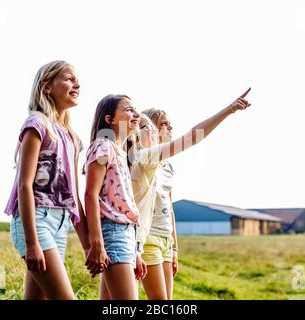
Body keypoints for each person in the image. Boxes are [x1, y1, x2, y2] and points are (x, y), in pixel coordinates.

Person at [131, 89, 252, 300]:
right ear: (147, 129)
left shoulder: (166, 166)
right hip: (148, 239)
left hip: (165, 239)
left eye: (170, 124)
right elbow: (193, 137)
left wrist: (175, 247)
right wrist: (229, 109)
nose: (170, 128)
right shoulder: (142, 159)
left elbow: (169, 209)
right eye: (163, 124)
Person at [4, 60, 89, 300]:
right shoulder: (37, 125)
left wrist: (87, 246)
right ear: (47, 86)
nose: (77, 84)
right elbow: (24, 185)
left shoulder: (72, 138)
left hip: (60, 225)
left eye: (77, 80)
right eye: (69, 78)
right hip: (36, 222)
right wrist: (32, 243)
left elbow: (74, 197)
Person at [83, 94, 147, 300]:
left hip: (126, 234)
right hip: (112, 233)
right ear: (110, 120)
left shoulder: (120, 152)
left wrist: (135, 251)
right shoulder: (103, 146)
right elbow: (90, 195)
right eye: (128, 109)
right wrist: (97, 243)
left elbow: (121, 203)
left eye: (135, 109)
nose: (135, 113)